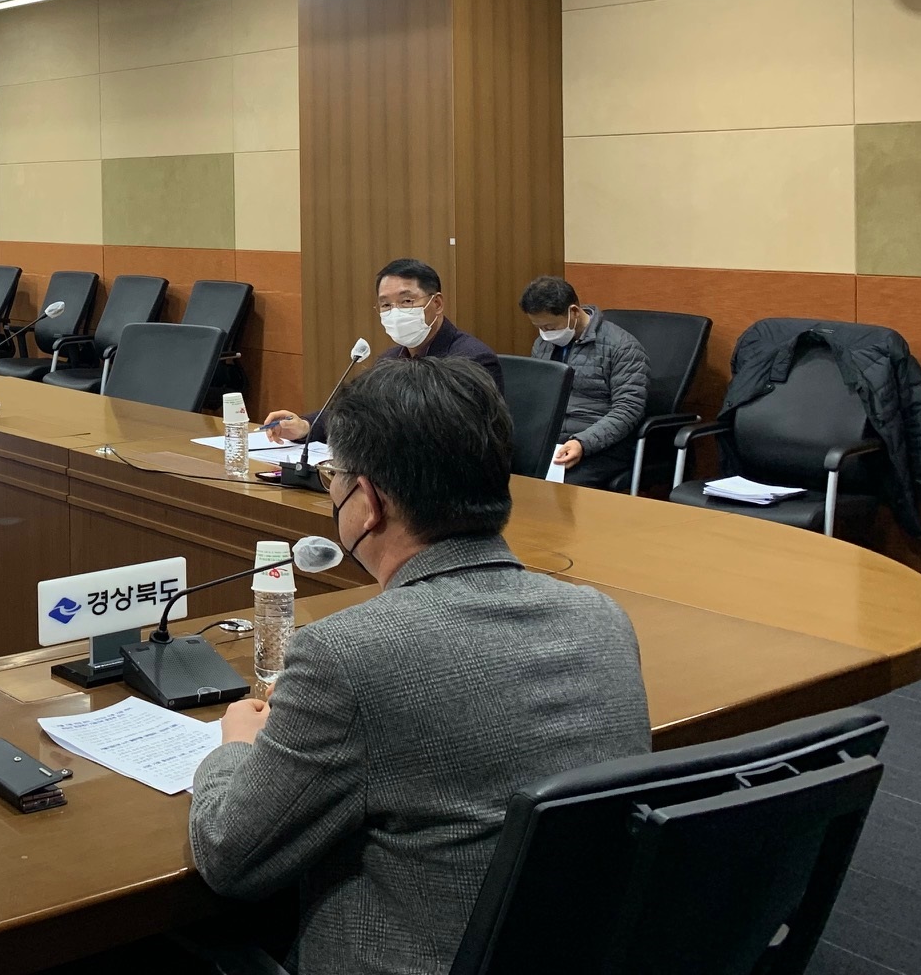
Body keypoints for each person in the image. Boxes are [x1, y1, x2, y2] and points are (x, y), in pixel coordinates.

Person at [190, 356, 649, 974]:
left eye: (331, 477)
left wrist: (235, 748)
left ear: (368, 502)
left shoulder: (347, 654)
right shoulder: (602, 618)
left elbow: (229, 857)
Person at [265, 258, 503, 445]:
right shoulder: (390, 360)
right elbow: (358, 413)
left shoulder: (472, 360)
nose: (395, 312)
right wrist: (306, 426)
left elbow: (459, 438)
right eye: (386, 305)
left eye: (407, 301)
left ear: (437, 304)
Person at [520, 275, 650, 489]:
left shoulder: (622, 347)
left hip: (601, 443)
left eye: (550, 327)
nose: (546, 334)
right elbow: (537, 396)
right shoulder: (543, 344)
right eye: (540, 327)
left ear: (573, 312)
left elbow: (628, 409)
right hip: (551, 440)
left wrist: (582, 443)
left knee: (559, 487)